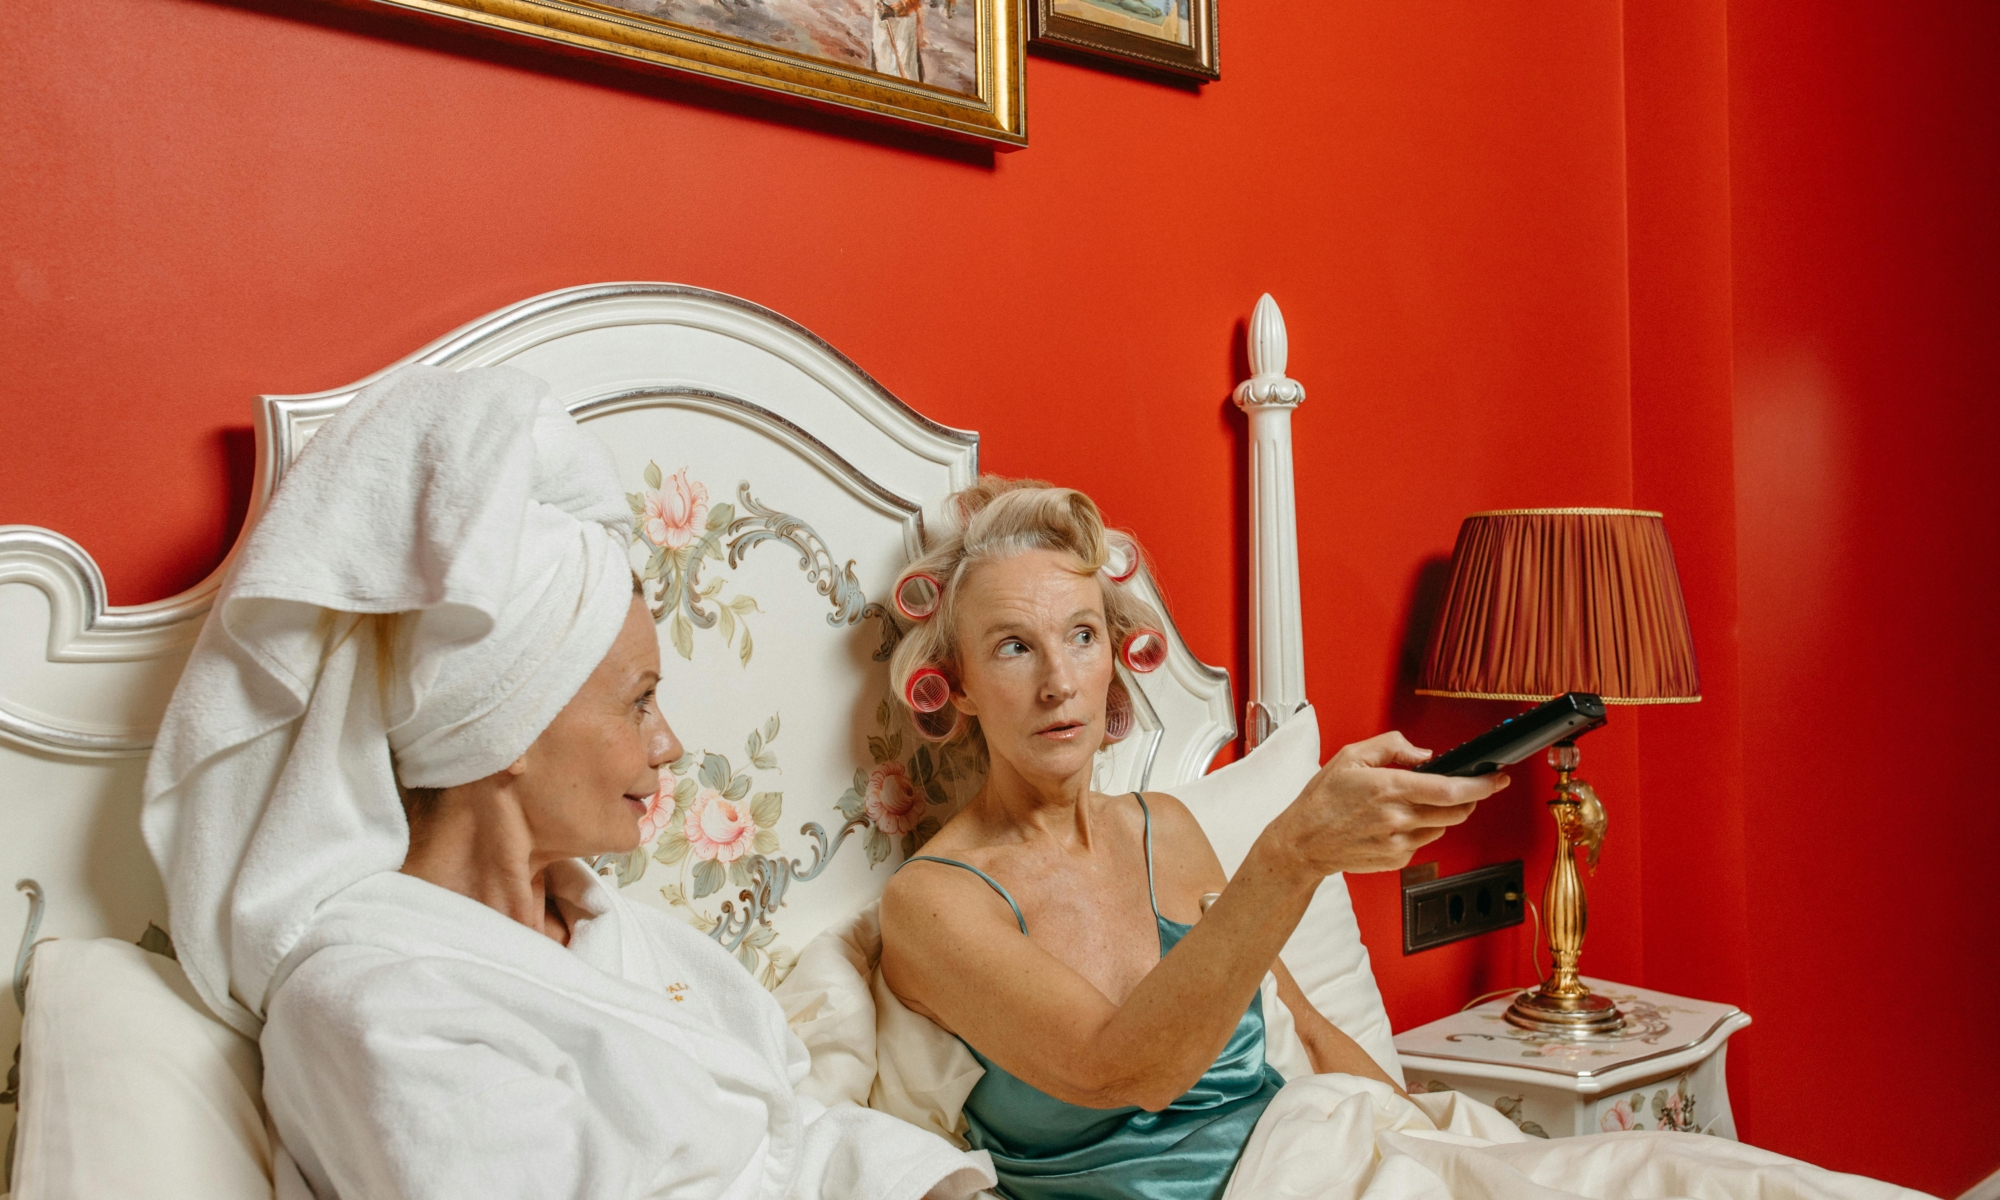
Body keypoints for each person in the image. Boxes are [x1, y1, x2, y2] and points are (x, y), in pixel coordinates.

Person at [876, 479, 1928, 1200]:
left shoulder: (1172, 829)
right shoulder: (933, 904)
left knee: (1702, 1179)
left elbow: (1304, 1036)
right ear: (954, 685)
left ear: (1115, 655)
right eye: (1011, 647)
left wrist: (1439, 1154)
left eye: (1080, 636)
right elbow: (1124, 1071)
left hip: (1323, 1157)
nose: (1058, 682)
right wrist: (1294, 853)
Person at [141, 366, 995, 1200]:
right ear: (512, 730)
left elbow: (794, 1136)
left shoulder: (619, 933)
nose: (669, 745)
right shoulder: (376, 1010)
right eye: (640, 702)